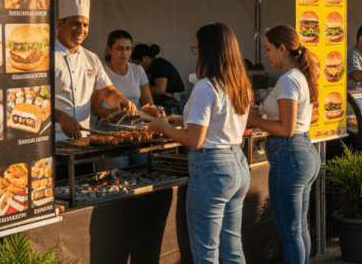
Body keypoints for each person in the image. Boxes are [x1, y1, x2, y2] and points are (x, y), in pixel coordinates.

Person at [147, 23, 252, 264]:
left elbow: (195, 140)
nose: (196, 53)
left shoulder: (206, 86)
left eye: (197, 48)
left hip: (212, 167)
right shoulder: (239, 83)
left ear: (207, 50)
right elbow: (221, 120)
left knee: (206, 254)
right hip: (237, 162)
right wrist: (182, 119)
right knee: (233, 248)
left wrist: (165, 127)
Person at [247, 25, 321, 264]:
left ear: (282, 48)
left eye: (268, 49)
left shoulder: (289, 80)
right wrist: (261, 113)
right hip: (303, 153)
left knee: (290, 234)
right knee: (299, 230)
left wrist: (253, 120)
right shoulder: (298, 76)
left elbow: (286, 129)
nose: (266, 55)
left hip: (290, 155)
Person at [54, 0, 137, 142]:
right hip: (50, 141)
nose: (81, 30)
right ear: (60, 24)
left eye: (85, 25)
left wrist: (121, 101)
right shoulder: (44, 57)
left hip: (84, 139)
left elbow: (108, 91)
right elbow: (33, 100)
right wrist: (60, 116)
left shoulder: (91, 58)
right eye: (75, 24)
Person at [91, 30, 154, 167]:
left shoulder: (137, 70)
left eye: (128, 49)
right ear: (109, 49)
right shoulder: (102, 72)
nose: (124, 53)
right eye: (119, 49)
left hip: (135, 126)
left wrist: (153, 116)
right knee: (119, 163)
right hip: (109, 128)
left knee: (142, 162)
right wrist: (118, 115)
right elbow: (96, 108)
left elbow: (148, 103)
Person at [131, 44, 186, 115]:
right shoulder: (151, 68)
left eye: (138, 64)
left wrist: (139, 90)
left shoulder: (158, 63)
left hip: (173, 103)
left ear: (145, 58)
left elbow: (159, 89)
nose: (138, 68)